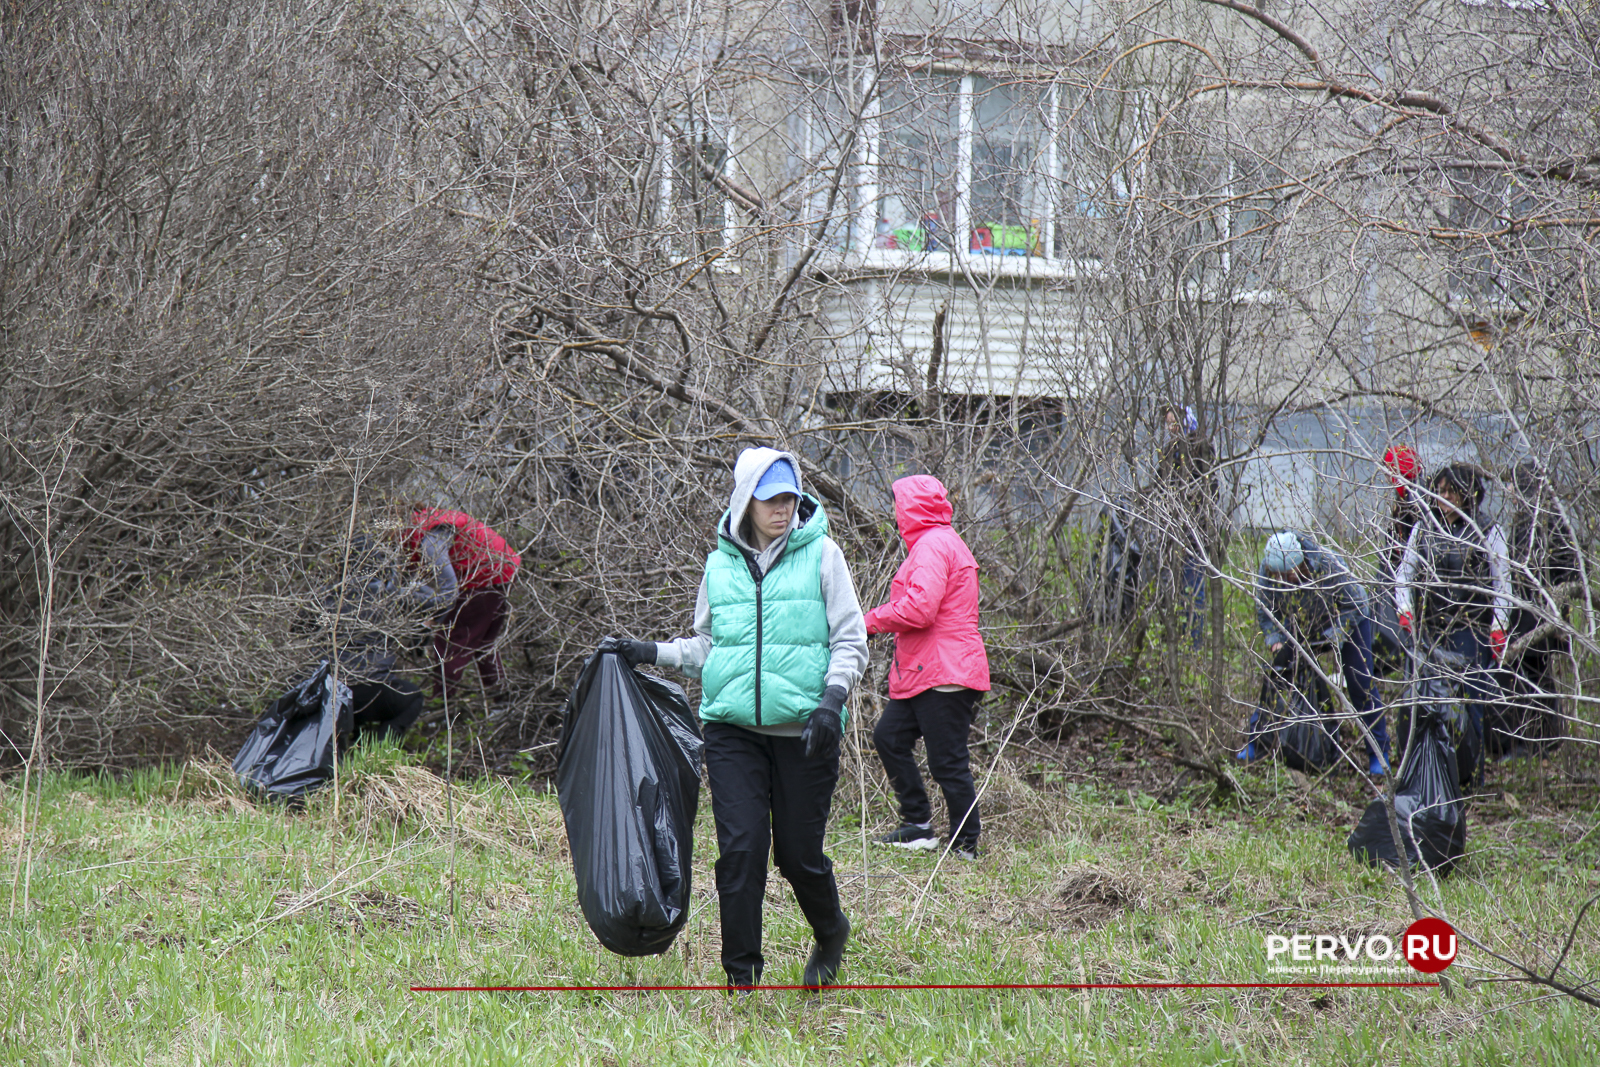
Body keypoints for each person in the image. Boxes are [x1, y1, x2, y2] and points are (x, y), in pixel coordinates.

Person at [614, 448, 868, 991]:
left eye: (789, 499)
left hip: (806, 729)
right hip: (731, 732)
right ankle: (741, 979)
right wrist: (648, 650)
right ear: (745, 500)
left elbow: (851, 639)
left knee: (798, 858)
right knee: (741, 850)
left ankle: (831, 931)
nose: (782, 509)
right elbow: (707, 644)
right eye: (770, 499)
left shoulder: (823, 555)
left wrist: (832, 699)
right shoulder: (719, 563)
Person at [865, 476, 991, 860]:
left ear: (910, 508)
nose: (895, 512)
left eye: (898, 505)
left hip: (945, 671)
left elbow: (920, 609)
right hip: (928, 670)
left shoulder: (933, 545)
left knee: (947, 761)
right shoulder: (935, 542)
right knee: (889, 736)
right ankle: (918, 827)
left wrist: (867, 622)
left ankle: (965, 844)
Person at [1394, 463, 1511, 782]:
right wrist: (1404, 608)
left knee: (1471, 701)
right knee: (1426, 699)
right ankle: (1429, 771)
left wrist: (1498, 627)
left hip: (1470, 631)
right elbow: (1404, 573)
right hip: (1431, 629)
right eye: (1440, 491)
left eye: (1451, 492)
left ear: (1468, 494)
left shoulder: (1488, 531)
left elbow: (1503, 585)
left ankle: (1471, 775)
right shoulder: (1425, 527)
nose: (1444, 498)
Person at [1240, 530, 1389, 775]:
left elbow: (1357, 602)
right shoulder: (1269, 570)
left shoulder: (1326, 563)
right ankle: (1256, 741)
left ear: (1301, 563)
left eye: (1288, 575)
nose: (1283, 581)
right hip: (1303, 621)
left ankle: (1378, 754)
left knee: (1359, 684)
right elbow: (1265, 608)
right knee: (1277, 676)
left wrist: (1333, 639)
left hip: (1345, 619)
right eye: (1277, 576)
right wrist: (1275, 640)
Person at [304, 535, 448, 743]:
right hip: (368, 690)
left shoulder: (325, 595)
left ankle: (343, 746)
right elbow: (438, 603)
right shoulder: (389, 597)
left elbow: (299, 629)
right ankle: (378, 751)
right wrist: (414, 585)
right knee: (412, 697)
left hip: (327, 691)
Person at [1495, 462, 1580, 757]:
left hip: (1539, 615)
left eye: (1514, 485)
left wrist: (1559, 617)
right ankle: (1533, 740)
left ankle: (1541, 741)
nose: (1509, 491)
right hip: (1524, 613)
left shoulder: (1548, 524)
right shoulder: (1527, 520)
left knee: (1536, 676)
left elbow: (1568, 573)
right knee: (1526, 675)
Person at [400, 506, 521, 704]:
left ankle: (441, 708)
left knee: (450, 644)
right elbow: (412, 586)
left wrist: (426, 629)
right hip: (502, 569)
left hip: (484, 576)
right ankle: (504, 703)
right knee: (484, 644)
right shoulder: (429, 520)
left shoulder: (427, 536)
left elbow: (449, 593)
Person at [1156, 404, 1217, 647]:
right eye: (1168, 424)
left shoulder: (1201, 450)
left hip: (1194, 536)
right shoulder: (1169, 450)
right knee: (1173, 589)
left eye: (1175, 423)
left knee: (1194, 589)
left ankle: (1194, 643)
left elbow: (1210, 491)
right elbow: (1161, 484)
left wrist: (1191, 512)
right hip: (1171, 534)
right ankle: (1175, 641)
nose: (1171, 428)